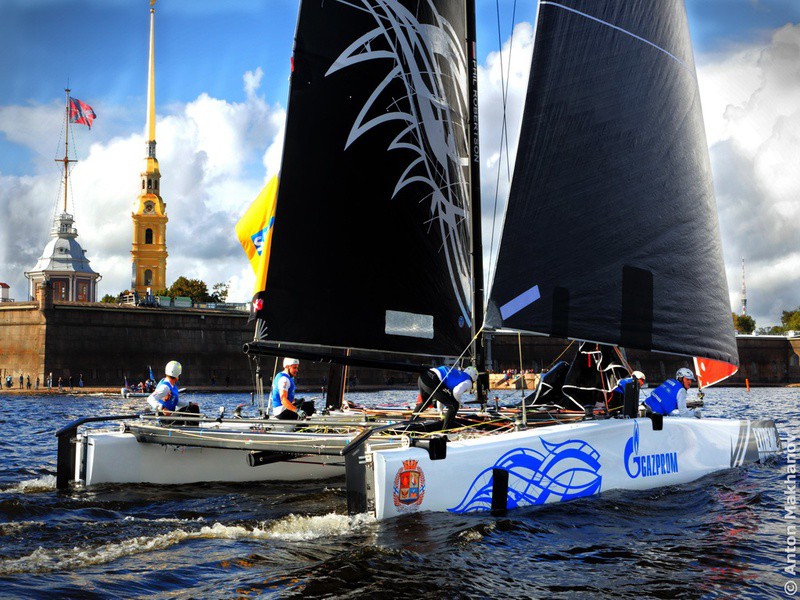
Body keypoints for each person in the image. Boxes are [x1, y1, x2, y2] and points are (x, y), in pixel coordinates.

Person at [413, 365, 478, 430]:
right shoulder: (468, 381)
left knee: (426, 402)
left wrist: (440, 411)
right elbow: (457, 391)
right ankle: (445, 431)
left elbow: (441, 395)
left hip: (424, 376)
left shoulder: (457, 375)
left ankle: (411, 421)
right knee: (454, 406)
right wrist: (457, 403)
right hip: (433, 379)